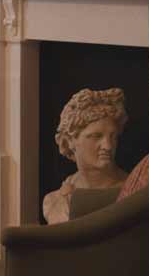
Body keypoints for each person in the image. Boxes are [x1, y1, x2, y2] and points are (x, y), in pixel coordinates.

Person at [42, 87, 131, 224]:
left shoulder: (131, 190)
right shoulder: (55, 201)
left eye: (113, 137)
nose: (108, 146)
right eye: (96, 136)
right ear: (69, 141)